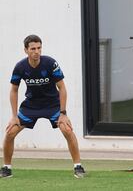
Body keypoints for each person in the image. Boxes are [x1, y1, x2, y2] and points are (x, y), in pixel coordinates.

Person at [0, 35, 86, 178]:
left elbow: (62, 88)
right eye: (33, 49)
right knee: (10, 132)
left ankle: (78, 167)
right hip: (30, 106)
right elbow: (13, 90)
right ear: (26, 50)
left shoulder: (50, 63)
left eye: (39, 48)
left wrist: (63, 113)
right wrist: (14, 116)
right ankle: (6, 168)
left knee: (67, 129)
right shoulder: (20, 67)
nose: (37, 52)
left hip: (52, 105)